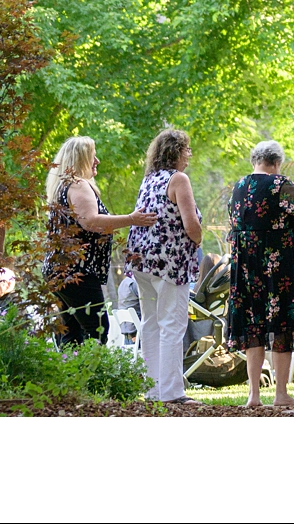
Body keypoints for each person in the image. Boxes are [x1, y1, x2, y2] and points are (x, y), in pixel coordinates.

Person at [225, 140, 294, 408]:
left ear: (255, 160)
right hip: (279, 261)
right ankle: (280, 393)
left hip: (246, 263)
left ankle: (253, 395)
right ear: (277, 163)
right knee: (282, 325)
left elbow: (234, 223)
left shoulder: (239, 187)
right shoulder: (280, 184)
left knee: (253, 326)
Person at [42, 136, 157, 345]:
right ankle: (93, 374)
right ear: (80, 160)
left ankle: (71, 374)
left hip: (60, 271)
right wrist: (132, 219)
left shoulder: (63, 186)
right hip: (77, 272)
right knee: (97, 329)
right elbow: (92, 222)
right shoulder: (78, 185)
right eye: (92, 157)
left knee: (72, 332)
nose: (97, 161)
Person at [123, 128, 203, 402]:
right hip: (169, 261)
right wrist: (199, 238)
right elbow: (191, 224)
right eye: (187, 149)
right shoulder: (178, 179)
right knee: (172, 324)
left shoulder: (149, 179)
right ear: (176, 152)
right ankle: (171, 392)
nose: (189, 154)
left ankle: (154, 389)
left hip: (141, 259)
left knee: (151, 324)